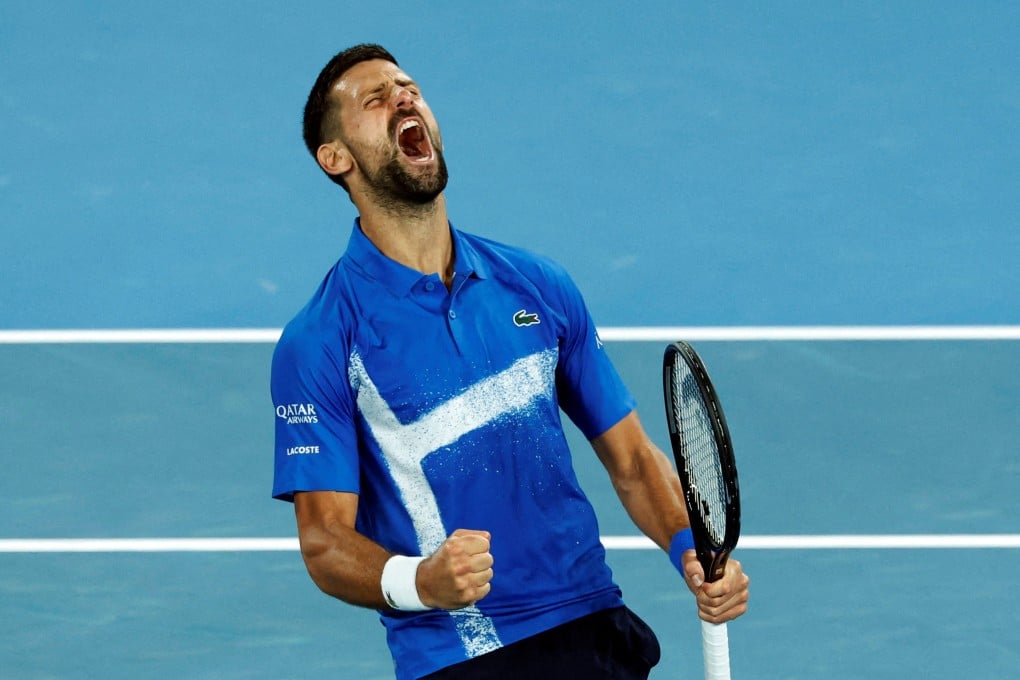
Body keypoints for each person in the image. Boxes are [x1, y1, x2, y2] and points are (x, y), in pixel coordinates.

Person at [271, 44, 750, 680]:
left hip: (592, 627)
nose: (404, 99)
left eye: (408, 87)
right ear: (336, 158)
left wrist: (690, 549)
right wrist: (423, 581)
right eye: (375, 98)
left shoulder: (537, 285)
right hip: (466, 653)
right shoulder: (323, 341)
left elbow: (632, 458)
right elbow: (325, 543)